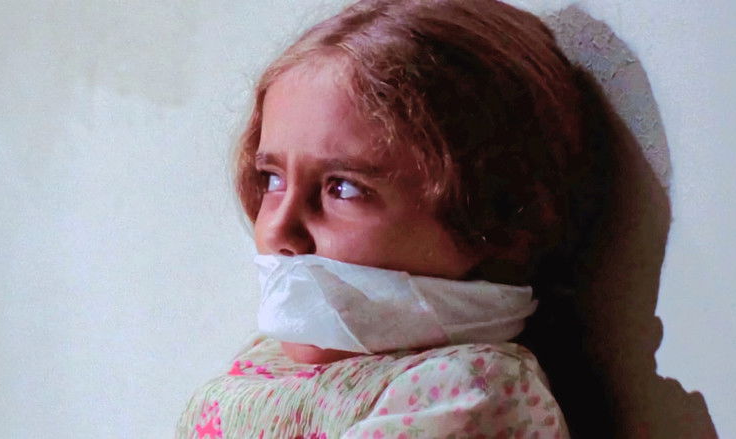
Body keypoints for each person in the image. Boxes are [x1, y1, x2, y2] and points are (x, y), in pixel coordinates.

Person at [177, 0, 617, 437]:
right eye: (272, 179)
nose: (278, 230)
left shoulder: (465, 391)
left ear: (496, 222)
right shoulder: (272, 357)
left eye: (343, 188)